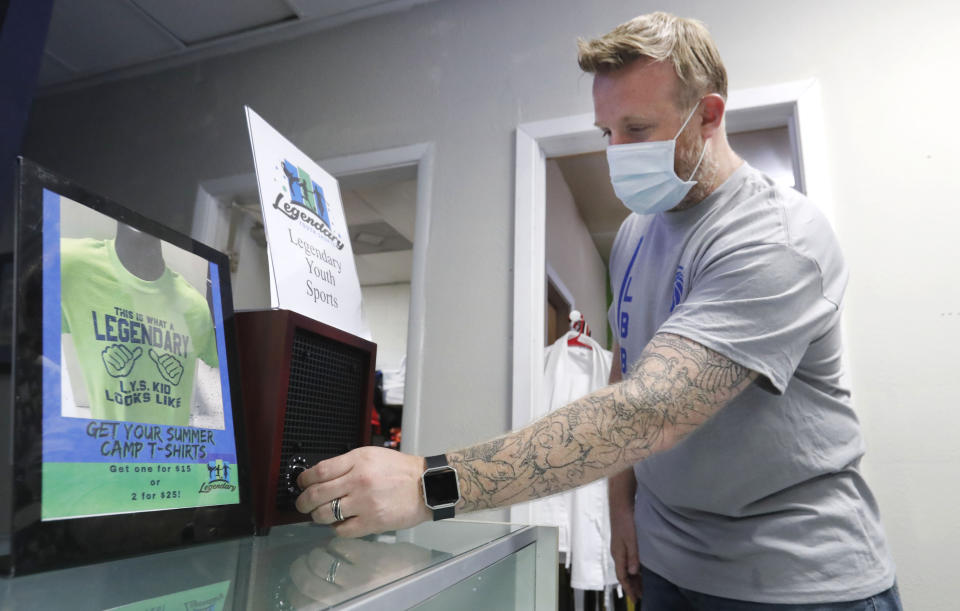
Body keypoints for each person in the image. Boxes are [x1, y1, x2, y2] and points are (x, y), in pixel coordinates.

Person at [296, 12, 901, 609]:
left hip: (794, 579)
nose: (617, 151)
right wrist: (621, 510)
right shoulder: (638, 233)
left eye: (636, 128)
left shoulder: (775, 239)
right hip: (667, 561)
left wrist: (428, 484)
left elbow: (648, 412)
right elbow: (628, 371)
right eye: (606, 132)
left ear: (709, 116)